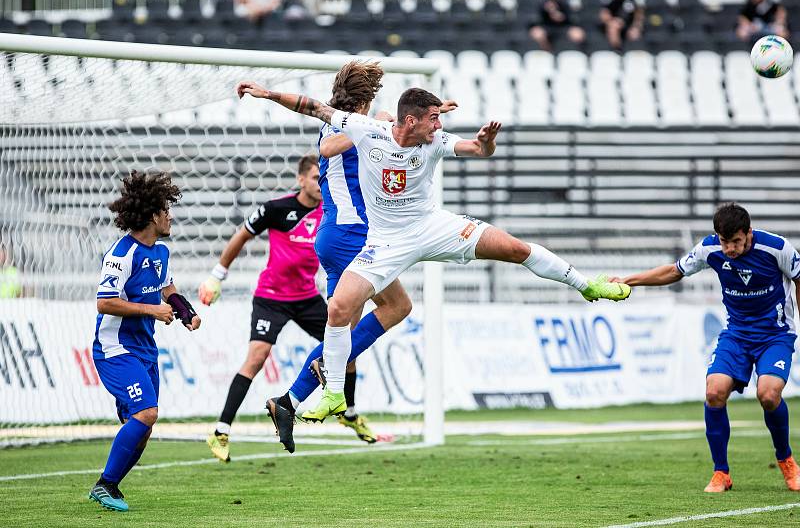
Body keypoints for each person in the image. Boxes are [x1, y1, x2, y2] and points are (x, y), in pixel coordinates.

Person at [235, 81, 631, 426]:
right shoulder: (367, 131)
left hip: (433, 227)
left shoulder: (436, 140)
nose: (439, 126)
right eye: (433, 119)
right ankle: (334, 394)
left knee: (514, 247)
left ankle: (586, 284)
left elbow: (477, 148)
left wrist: (486, 142)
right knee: (338, 309)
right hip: (385, 242)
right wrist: (265, 93)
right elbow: (312, 107)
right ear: (410, 122)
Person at [263, 61, 457, 454]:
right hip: (350, 235)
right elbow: (327, 147)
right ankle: (313, 380)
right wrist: (376, 128)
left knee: (353, 327)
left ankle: (290, 400)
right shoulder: (344, 127)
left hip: (343, 236)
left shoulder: (364, 124)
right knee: (389, 311)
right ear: (367, 99)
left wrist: (417, 123)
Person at [609, 203, 800, 493]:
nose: (730, 249)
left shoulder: (777, 248)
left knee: (769, 394)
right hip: (736, 334)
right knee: (714, 391)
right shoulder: (709, 249)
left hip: (775, 334)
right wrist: (628, 280)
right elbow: (674, 271)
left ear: (748, 233)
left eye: (736, 241)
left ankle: (786, 461)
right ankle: (721, 472)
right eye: (724, 242)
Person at [200, 155, 351, 461]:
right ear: (300, 180)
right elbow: (242, 235)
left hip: (307, 297)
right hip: (272, 297)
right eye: (312, 178)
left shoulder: (330, 212)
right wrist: (218, 276)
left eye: (321, 179)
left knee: (348, 339)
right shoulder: (276, 208)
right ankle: (221, 430)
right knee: (256, 357)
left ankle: (350, 412)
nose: (319, 185)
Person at [89, 171, 201, 512]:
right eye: (166, 210)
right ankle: (104, 485)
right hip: (114, 349)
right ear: (152, 215)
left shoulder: (161, 251)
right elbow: (104, 301)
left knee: (143, 426)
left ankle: (112, 486)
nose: (170, 216)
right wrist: (153, 310)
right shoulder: (121, 254)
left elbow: (168, 290)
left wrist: (186, 313)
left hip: (145, 350)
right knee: (147, 413)